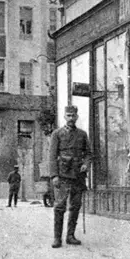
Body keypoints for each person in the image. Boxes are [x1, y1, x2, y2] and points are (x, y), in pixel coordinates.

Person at [49, 105, 92, 248]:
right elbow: (52, 156)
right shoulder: (57, 134)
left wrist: (86, 164)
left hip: (78, 177)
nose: (71, 118)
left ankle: (70, 236)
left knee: (75, 206)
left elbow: (89, 154)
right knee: (59, 207)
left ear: (77, 117)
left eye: (73, 116)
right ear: (64, 116)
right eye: (68, 115)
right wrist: (54, 175)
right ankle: (57, 238)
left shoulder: (82, 134)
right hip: (62, 176)